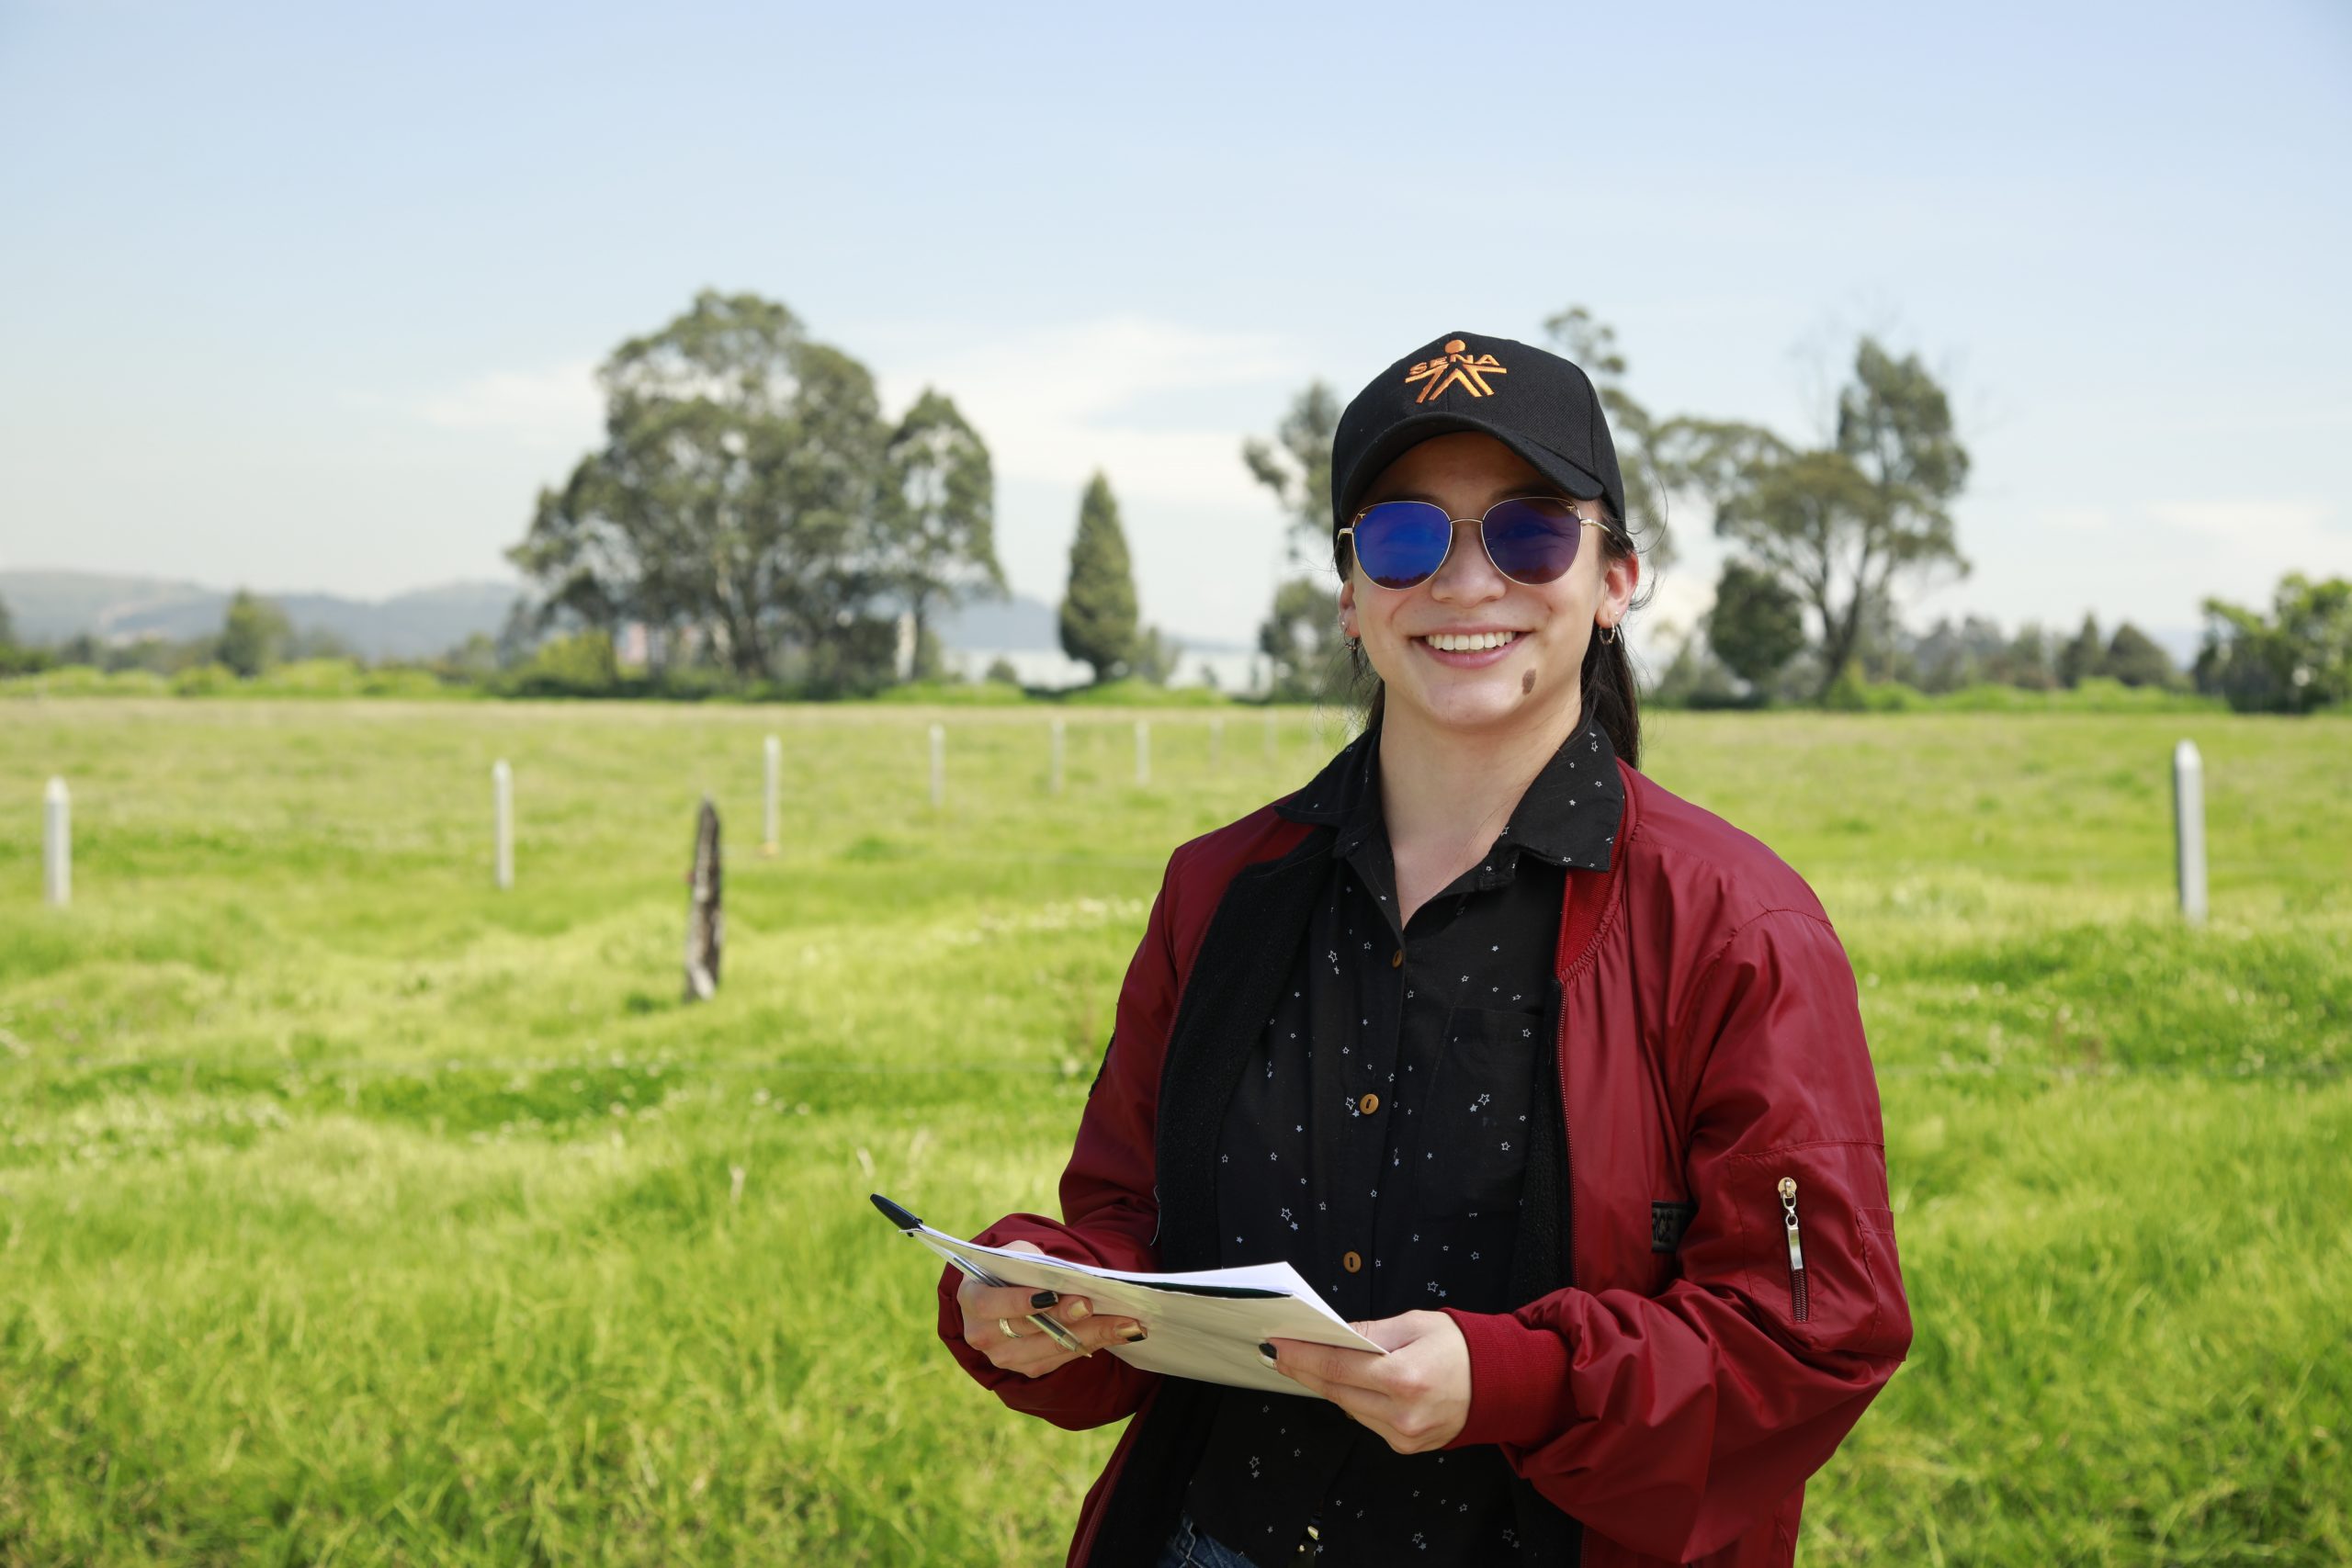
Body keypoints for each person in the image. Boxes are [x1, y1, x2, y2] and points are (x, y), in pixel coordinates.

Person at [933, 330, 1912, 1567]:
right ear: (1352, 594)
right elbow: (1131, 1220)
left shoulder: (1737, 926)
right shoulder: (1217, 890)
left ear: (1615, 578)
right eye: (1405, 537)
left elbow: (1814, 1330)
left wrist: (1518, 1380)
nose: (1465, 581)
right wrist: (1047, 1291)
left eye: (1530, 531)